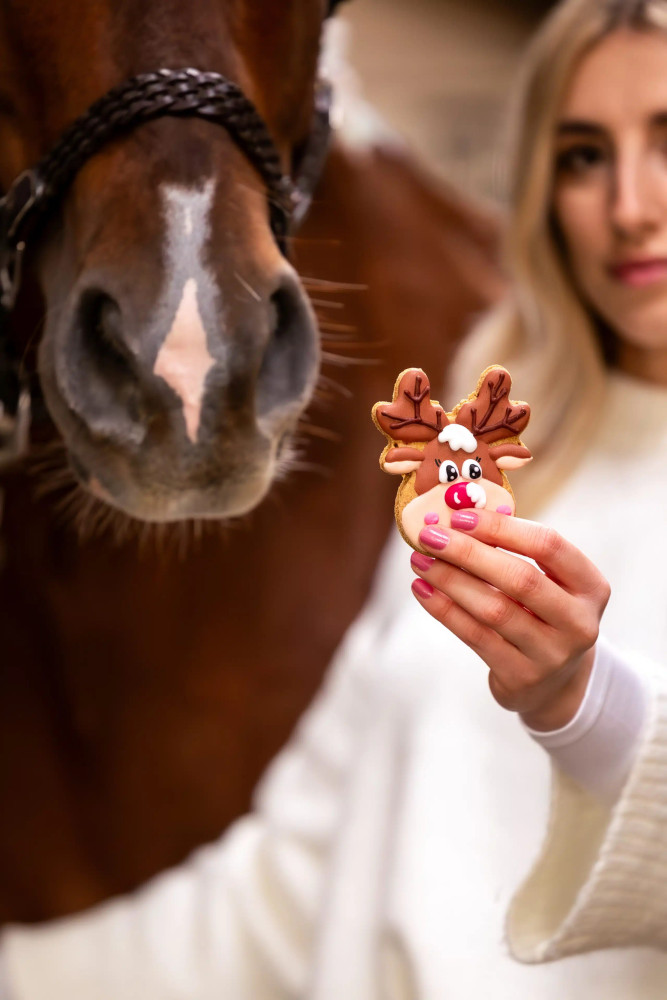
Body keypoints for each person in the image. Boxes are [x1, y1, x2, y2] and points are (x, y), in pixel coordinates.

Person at [2, 0, 667, 995]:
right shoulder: (475, 452)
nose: (628, 206)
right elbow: (286, 891)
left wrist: (587, 713)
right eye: (580, 154)